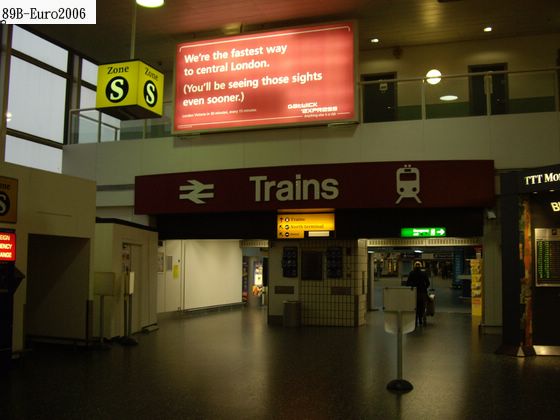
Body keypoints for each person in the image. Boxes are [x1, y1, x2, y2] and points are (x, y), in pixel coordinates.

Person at [406, 261, 430, 326]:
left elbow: (407, 283)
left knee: (415, 307)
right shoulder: (424, 273)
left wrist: (413, 285)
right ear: (421, 266)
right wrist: (424, 287)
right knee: (422, 307)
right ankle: (422, 320)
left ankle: (415, 321)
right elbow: (428, 283)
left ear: (414, 266)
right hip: (422, 293)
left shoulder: (411, 273)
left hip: (414, 293)